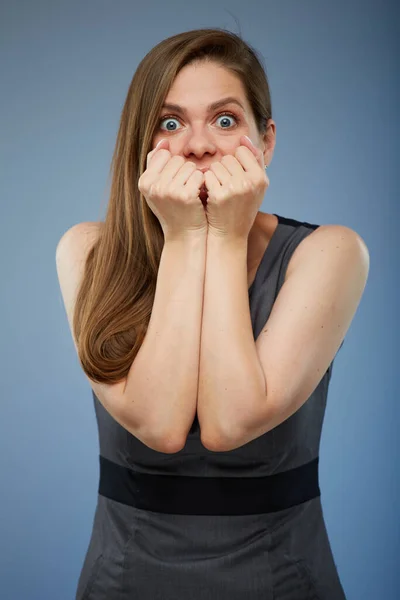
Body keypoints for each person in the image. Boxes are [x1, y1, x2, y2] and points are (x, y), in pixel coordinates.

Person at [55, 27, 369, 599]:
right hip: (123, 581)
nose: (198, 144)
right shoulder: (86, 249)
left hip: (281, 581)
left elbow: (228, 424)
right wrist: (184, 238)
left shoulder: (331, 253)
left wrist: (222, 235)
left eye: (225, 121)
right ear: (140, 144)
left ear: (265, 142)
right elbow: (160, 425)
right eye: (171, 123)